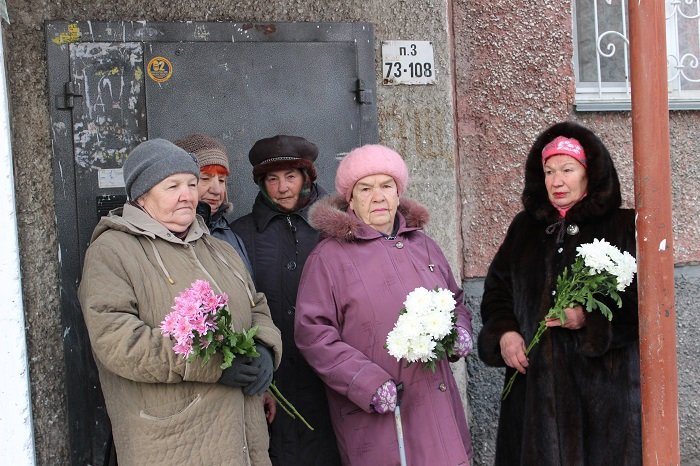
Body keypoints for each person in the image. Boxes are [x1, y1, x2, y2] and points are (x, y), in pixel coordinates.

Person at [78, 138, 282, 466]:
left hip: (243, 436)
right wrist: (212, 364)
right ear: (142, 197)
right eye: (172, 185)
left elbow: (255, 304)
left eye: (190, 183)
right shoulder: (112, 251)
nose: (187, 194)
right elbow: (116, 340)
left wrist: (264, 348)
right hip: (174, 442)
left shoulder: (218, 248)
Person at [294, 144, 474, 466]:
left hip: (436, 405)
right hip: (382, 413)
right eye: (365, 188)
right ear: (350, 198)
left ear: (398, 193)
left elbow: (455, 299)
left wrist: (459, 329)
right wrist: (366, 382)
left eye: (386, 186)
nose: (378, 197)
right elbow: (314, 334)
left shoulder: (424, 245)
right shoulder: (329, 258)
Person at [477, 121, 640, 465]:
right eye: (549, 171)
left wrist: (588, 317)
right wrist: (505, 333)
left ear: (589, 174)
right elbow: (496, 292)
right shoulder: (525, 228)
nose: (557, 181)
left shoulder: (623, 227)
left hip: (601, 399)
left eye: (567, 169)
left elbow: (643, 306)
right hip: (534, 396)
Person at [231, 135, 342, 466]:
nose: (282, 187)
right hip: (274, 378)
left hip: (329, 374)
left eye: (290, 176)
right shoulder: (241, 234)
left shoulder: (336, 229)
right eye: (272, 178)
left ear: (307, 178)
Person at [173, 133, 253, 275]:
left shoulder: (229, 234)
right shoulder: (171, 234)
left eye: (221, 180)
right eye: (205, 178)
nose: (217, 190)